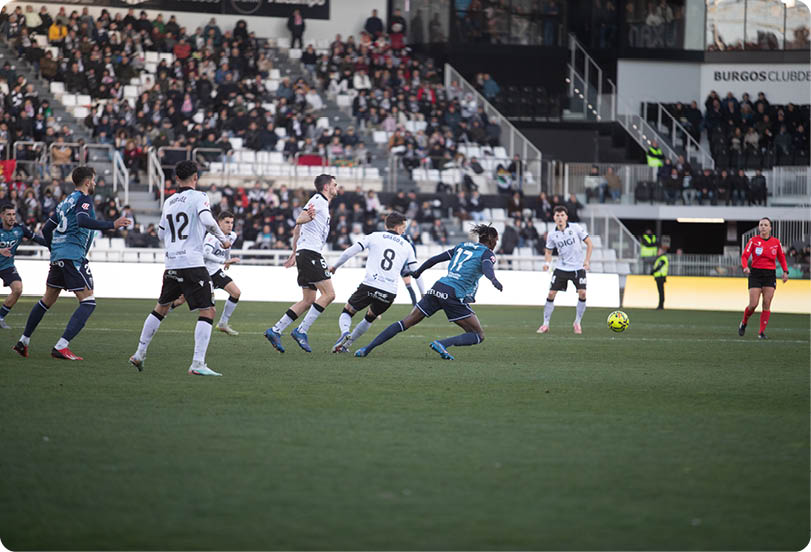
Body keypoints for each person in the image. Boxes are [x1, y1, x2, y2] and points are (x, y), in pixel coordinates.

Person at [13, 167, 130, 360]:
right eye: (93, 180)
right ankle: (61, 346)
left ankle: (23, 341)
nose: (94, 183)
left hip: (59, 255)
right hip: (72, 256)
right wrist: (112, 224)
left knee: (47, 300)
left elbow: (47, 228)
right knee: (88, 302)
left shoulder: (64, 202)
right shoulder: (84, 199)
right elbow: (82, 221)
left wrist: (55, 248)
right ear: (87, 182)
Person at [128, 161, 232, 375]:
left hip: (172, 262)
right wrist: (222, 239)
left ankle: (139, 353)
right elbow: (207, 219)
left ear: (176, 179)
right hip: (192, 262)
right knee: (208, 310)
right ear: (195, 177)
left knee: (161, 307)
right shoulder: (200, 197)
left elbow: (160, 234)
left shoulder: (169, 201)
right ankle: (197, 364)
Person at [354, 224, 503, 360]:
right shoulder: (487, 253)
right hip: (453, 294)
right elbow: (487, 267)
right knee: (478, 335)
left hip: (438, 287)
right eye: (496, 240)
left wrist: (418, 271)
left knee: (405, 322)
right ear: (492, 240)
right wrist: (493, 279)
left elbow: (435, 259)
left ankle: (366, 348)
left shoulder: (462, 247)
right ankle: (442, 344)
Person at [264, 174, 338, 353]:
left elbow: (297, 230)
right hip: (311, 253)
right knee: (329, 295)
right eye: (334, 184)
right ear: (326, 187)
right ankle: (301, 330)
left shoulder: (322, 204)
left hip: (304, 253)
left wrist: (293, 253)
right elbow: (299, 220)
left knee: (308, 300)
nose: (337, 187)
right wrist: (306, 218)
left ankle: (275, 330)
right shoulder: (319, 200)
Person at [328, 211, 417, 353]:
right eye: (403, 227)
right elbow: (416, 272)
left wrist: (335, 266)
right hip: (389, 292)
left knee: (348, 310)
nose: (404, 230)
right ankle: (345, 346)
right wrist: (423, 292)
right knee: (370, 317)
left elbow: (350, 251)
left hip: (370, 285)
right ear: (397, 227)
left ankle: (345, 332)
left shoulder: (374, 236)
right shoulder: (407, 246)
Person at [537, 205, 593, 335]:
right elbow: (548, 251)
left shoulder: (576, 228)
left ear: (566, 217)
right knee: (551, 294)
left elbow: (590, 243)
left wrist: (587, 261)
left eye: (562, 215)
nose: (560, 218)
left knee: (583, 293)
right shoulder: (552, 234)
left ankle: (577, 322)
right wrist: (547, 263)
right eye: (557, 216)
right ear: (554, 218)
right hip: (561, 267)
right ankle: (545, 324)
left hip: (578, 267)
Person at [739, 217, 788, 339]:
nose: (763, 227)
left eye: (766, 225)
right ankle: (744, 322)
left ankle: (761, 332)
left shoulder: (776, 242)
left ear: (770, 228)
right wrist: (745, 267)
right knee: (753, 304)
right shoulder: (753, 241)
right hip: (755, 274)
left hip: (770, 275)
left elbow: (781, 258)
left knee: (767, 303)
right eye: (761, 225)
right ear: (759, 227)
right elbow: (744, 256)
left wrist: (785, 271)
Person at [0, 203, 47, 329]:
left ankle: (0, 317)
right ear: (2, 216)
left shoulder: (20, 229)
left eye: (13, 214)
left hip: (6, 266)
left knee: (18, 289)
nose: (12, 217)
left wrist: (54, 246)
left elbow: (38, 239)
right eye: (8, 214)